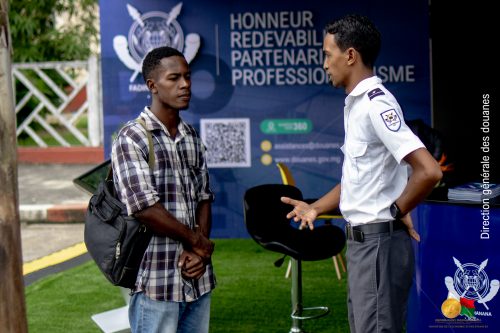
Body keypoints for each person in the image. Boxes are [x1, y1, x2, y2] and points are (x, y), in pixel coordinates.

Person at [281, 14, 442, 332]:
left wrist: (396, 210)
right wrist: (315, 207)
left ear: (350, 55)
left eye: (328, 54)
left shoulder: (376, 105)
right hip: (364, 247)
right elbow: (360, 179)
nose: (325, 63)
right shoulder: (355, 105)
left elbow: (429, 170)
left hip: (378, 246)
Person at [111, 46, 216, 333]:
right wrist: (198, 242)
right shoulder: (131, 137)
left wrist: (200, 252)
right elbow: (145, 209)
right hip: (155, 281)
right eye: (174, 78)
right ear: (152, 85)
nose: (185, 84)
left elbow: (204, 198)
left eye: (187, 76)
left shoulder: (192, 137)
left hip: (198, 277)